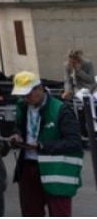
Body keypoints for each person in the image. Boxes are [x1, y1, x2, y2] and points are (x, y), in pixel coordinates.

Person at [7, 71, 84, 216]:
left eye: (28, 94)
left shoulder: (61, 109)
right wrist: (17, 135)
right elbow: (19, 127)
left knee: (59, 213)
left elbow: (74, 143)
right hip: (28, 168)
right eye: (22, 95)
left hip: (56, 170)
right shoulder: (22, 106)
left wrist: (42, 146)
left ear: (40, 88)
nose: (25, 98)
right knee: (31, 212)